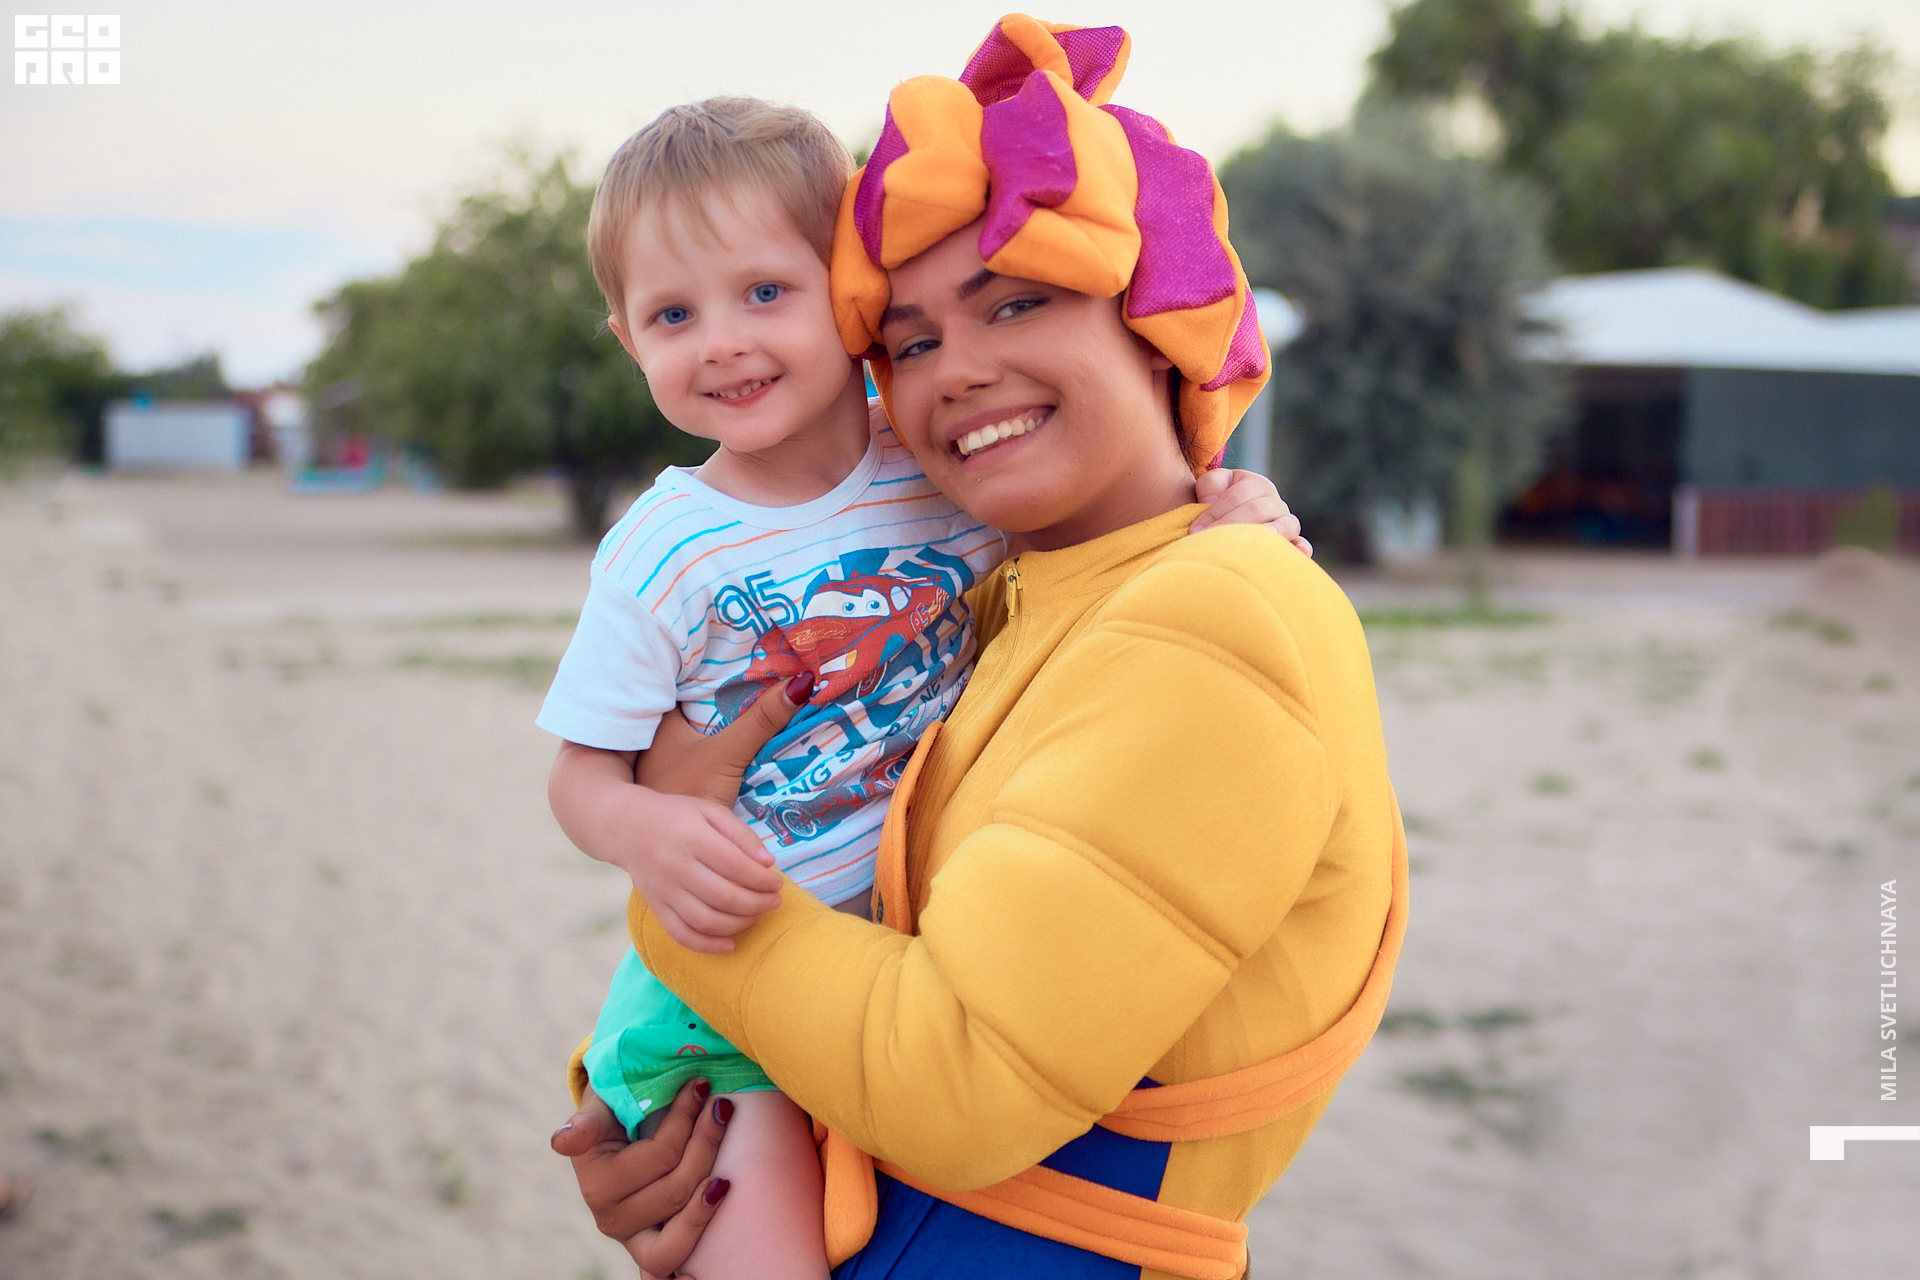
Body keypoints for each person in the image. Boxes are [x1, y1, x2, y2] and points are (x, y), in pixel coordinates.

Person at [554, 17, 1406, 1280]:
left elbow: (955, 1084)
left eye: (1018, 301)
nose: (956, 372)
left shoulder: (1217, 611)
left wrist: (676, 913)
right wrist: (680, 1112)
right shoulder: (1019, 584)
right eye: (908, 340)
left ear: (1157, 313)